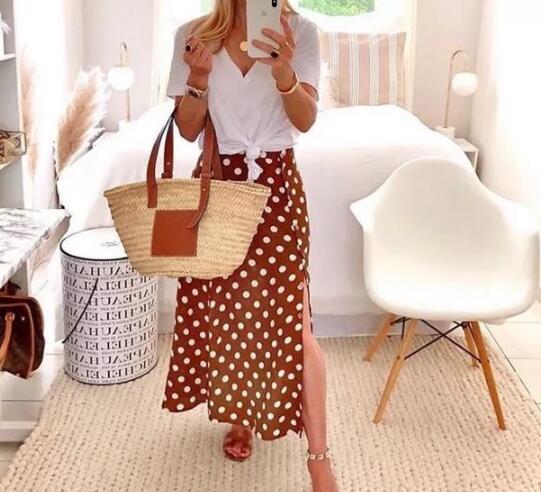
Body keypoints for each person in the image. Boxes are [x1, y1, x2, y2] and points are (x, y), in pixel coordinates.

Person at [162, 1, 338, 490]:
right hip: (217, 184)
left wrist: (283, 72)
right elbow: (189, 129)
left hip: (277, 187)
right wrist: (198, 76)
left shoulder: (300, 31)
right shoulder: (193, 34)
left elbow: (305, 121)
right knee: (226, 313)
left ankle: (319, 457)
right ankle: (240, 415)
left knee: (294, 325)